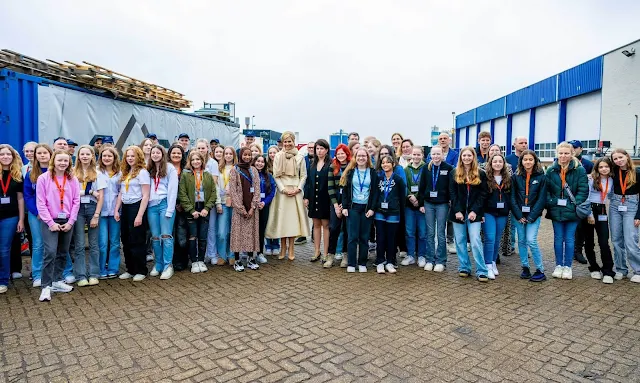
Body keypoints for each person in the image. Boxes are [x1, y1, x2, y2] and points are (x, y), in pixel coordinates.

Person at [36, 149, 80, 302]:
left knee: (63, 252)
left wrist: (71, 222)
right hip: (50, 221)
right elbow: (41, 203)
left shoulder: (72, 179)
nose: (62, 163)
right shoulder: (43, 178)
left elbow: (76, 201)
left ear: (69, 162)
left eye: (65, 161)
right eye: (59, 160)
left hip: (67, 221)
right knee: (50, 252)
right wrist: (50, 222)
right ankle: (46, 286)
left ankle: (56, 281)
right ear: (53, 161)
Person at [545, 142, 588, 280]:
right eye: (561, 153)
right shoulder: (551, 170)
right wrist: (552, 202)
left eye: (566, 153)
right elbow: (547, 191)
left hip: (572, 210)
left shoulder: (579, 170)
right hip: (556, 210)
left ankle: (567, 267)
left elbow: (583, 190)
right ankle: (558, 265)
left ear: (572, 154)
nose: (563, 156)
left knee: (569, 239)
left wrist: (574, 204)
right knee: (558, 238)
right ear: (557, 154)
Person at [265, 131, 310, 261]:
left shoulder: (300, 157)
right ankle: (282, 247)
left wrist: (298, 188)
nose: (287, 144)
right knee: (282, 220)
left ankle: (291, 248)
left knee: (292, 221)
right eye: (285, 141)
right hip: (282, 192)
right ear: (282, 143)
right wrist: (283, 189)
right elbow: (276, 175)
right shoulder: (278, 156)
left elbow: (303, 175)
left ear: (293, 142)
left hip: (295, 191)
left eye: (289, 141)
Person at [450, 147, 489, 282]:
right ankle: (464, 267)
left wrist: (475, 211)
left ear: (473, 157)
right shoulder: (454, 173)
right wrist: (457, 210)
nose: (466, 158)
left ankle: (482, 270)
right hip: (458, 214)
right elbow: (452, 194)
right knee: (460, 241)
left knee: (475, 241)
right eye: (464, 155)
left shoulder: (481, 173)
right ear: (461, 157)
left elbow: (483, 194)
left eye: (469, 155)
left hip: (474, 213)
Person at [178, 151, 218, 273]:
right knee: (192, 236)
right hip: (191, 208)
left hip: (204, 208)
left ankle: (201, 260)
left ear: (202, 161)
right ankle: (194, 261)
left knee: (203, 236)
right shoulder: (186, 175)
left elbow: (213, 193)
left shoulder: (207, 175)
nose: (196, 162)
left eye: (198, 159)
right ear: (190, 161)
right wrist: (191, 210)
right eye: (193, 159)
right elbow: (182, 194)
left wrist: (207, 208)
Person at [115, 146, 151, 282]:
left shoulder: (142, 173)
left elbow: (146, 195)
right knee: (126, 239)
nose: (130, 158)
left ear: (138, 157)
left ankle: (141, 270)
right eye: (128, 156)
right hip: (125, 207)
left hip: (137, 207)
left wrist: (140, 215)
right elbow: (121, 192)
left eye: (133, 156)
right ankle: (130, 269)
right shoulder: (125, 172)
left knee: (137, 239)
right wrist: (116, 209)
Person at [511, 150, 547, 282]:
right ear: (521, 161)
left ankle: (540, 269)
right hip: (519, 216)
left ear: (535, 161)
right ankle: (525, 267)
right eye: (525, 159)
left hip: (533, 215)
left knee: (531, 240)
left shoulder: (541, 177)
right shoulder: (515, 177)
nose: (527, 162)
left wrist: (532, 216)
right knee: (521, 241)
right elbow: (512, 198)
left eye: (530, 159)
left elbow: (542, 199)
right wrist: (519, 215)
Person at [72, 145, 106, 287]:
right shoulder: (72, 173)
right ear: (78, 156)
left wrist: (96, 215)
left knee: (93, 244)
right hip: (77, 208)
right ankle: (80, 275)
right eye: (82, 154)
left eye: (88, 154)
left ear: (93, 156)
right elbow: (71, 193)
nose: (85, 156)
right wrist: (90, 192)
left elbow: (101, 196)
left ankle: (93, 274)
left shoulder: (98, 173)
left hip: (93, 208)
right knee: (79, 244)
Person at [341, 147, 378, 272]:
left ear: (367, 158)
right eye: (359, 156)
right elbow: (345, 191)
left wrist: (372, 208)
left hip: (366, 208)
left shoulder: (372, 173)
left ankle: (362, 263)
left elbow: (375, 193)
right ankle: (351, 263)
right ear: (355, 158)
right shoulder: (350, 172)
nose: (361, 158)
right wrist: (345, 206)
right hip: (353, 208)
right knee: (352, 237)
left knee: (364, 237)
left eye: (364, 156)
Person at [147, 145, 179, 280]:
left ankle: (168, 266)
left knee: (166, 236)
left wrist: (170, 209)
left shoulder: (170, 168)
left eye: (157, 152)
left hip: (165, 204)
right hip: (152, 206)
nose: (155, 155)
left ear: (162, 153)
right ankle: (158, 264)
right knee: (155, 237)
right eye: (153, 152)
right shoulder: (149, 169)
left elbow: (173, 190)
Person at [418, 145, 452, 272]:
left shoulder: (448, 168)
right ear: (430, 155)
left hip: (442, 204)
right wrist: (421, 204)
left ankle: (440, 260)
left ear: (443, 154)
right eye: (434, 154)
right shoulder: (426, 168)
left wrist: (449, 201)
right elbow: (422, 187)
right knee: (430, 233)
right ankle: (430, 259)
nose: (436, 156)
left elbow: (450, 187)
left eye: (438, 154)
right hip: (428, 203)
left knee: (441, 233)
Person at [24, 144, 53, 287]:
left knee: (55, 244)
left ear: (50, 154)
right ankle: (37, 275)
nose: (42, 155)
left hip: (54, 213)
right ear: (35, 156)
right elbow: (28, 195)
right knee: (38, 244)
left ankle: (62, 272)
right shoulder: (31, 173)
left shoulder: (57, 170)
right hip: (36, 214)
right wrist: (37, 212)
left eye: (45, 153)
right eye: (39, 153)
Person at [609, 148, 640, 283]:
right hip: (615, 205)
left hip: (632, 206)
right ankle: (621, 269)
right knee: (616, 240)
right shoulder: (613, 172)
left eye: (620, 157)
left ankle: (638, 270)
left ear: (627, 156)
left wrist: (638, 215)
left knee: (630, 240)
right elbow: (599, 172)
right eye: (615, 159)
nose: (618, 160)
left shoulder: (637, 172)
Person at [583, 157, 615, 284]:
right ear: (597, 168)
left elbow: (611, 195)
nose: (604, 169)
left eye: (606, 166)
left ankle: (608, 270)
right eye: (601, 167)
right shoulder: (591, 179)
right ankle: (594, 268)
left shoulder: (612, 180)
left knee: (604, 241)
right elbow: (586, 196)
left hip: (602, 210)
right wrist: (589, 214)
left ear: (610, 167)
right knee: (589, 241)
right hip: (589, 209)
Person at [229, 147, 261, 271]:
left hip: (252, 209)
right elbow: (233, 191)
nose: (247, 157)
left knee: (251, 234)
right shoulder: (234, 170)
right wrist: (241, 209)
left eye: (249, 155)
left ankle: (250, 258)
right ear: (240, 155)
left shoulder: (253, 170)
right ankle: (237, 260)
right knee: (238, 234)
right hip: (239, 210)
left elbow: (257, 189)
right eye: (245, 155)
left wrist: (253, 207)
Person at [373, 155, 405, 274]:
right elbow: (375, 194)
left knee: (392, 238)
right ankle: (380, 261)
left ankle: (390, 261)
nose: (385, 164)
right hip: (379, 212)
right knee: (380, 237)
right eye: (383, 163)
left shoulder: (398, 179)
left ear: (393, 165)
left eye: (388, 163)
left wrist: (401, 213)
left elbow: (402, 197)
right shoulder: (379, 178)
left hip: (393, 212)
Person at [482, 153, 511, 280]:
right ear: (490, 163)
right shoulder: (485, 177)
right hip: (488, 212)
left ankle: (493, 262)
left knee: (497, 238)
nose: (497, 164)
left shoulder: (508, 178)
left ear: (503, 164)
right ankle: (487, 264)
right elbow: (482, 196)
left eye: (500, 161)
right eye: (495, 161)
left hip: (502, 213)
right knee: (490, 238)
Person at [0, 145, 25, 294]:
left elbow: (20, 199)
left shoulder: (17, 174)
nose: (5, 157)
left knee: (4, 249)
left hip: (10, 217)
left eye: (8, 154)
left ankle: (3, 280)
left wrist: (21, 219)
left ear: (13, 156)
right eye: (2, 154)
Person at [304, 139, 331, 264]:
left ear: (326, 150)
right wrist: (306, 197)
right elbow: (309, 182)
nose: (319, 151)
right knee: (315, 225)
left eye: (322, 148)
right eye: (317, 148)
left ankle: (326, 253)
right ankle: (316, 251)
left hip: (326, 199)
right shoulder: (312, 163)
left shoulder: (331, 163)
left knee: (325, 226)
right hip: (313, 198)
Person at [97, 146, 122, 279]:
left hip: (115, 212)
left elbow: (121, 192)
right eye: (104, 156)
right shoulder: (96, 171)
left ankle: (113, 268)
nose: (106, 158)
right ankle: (101, 269)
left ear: (114, 158)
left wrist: (117, 209)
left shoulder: (120, 172)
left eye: (109, 156)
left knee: (114, 242)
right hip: (100, 213)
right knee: (102, 243)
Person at [325, 144, 351, 268]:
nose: (340, 155)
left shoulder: (352, 167)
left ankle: (345, 255)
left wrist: (344, 205)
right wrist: (336, 205)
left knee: (346, 229)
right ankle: (330, 255)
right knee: (334, 228)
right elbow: (330, 188)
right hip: (335, 200)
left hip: (348, 202)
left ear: (347, 153)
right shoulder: (332, 167)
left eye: (343, 153)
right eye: (338, 153)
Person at [401, 146, 426, 268]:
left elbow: (426, 186)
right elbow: (404, 185)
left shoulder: (426, 168)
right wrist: (410, 196)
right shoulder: (406, 170)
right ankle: (410, 255)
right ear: (411, 155)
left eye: (418, 154)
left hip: (421, 205)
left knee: (422, 232)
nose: (416, 157)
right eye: (414, 155)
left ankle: (421, 255)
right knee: (409, 231)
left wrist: (418, 198)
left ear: (422, 155)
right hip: (409, 205)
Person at [569, 139, 593, 265]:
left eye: (575, 147)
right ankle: (570, 250)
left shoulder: (588, 164)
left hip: (583, 201)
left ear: (581, 149)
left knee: (581, 228)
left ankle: (578, 251)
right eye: (570, 147)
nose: (573, 149)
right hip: (568, 201)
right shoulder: (563, 162)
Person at [167, 144, 189, 272]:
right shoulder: (165, 169)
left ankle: (182, 260)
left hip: (183, 208)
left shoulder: (186, 170)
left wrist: (181, 204)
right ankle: (171, 260)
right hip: (169, 206)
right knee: (170, 234)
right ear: (169, 154)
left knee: (182, 234)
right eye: (173, 153)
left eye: (179, 153)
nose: (176, 155)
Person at [253, 155, 276, 264]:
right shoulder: (250, 174)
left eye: (262, 162)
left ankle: (259, 253)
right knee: (250, 230)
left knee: (261, 230)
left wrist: (264, 202)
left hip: (263, 206)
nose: (260, 164)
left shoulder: (268, 176)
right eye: (258, 161)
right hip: (251, 207)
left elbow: (272, 192)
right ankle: (248, 252)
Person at [216, 146, 237, 265]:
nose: (228, 156)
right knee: (221, 232)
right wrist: (218, 203)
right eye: (226, 153)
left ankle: (231, 254)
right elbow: (216, 187)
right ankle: (222, 255)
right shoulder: (219, 169)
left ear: (234, 155)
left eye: (230, 154)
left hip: (234, 204)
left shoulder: (237, 169)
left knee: (232, 231)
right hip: (223, 203)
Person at [264, 146, 280, 255]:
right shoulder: (266, 166)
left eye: (274, 152)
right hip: (268, 196)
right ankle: (268, 244)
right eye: (270, 153)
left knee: (277, 220)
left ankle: (276, 244)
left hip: (279, 196)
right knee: (268, 220)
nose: (272, 155)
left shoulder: (281, 165)